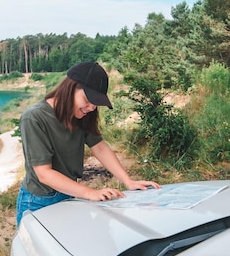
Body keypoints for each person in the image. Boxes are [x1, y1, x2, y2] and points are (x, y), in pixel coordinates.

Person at [16, 61, 160, 226]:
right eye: (88, 99)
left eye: (95, 103)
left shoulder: (81, 115)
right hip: (38, 201)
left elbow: (99, 147)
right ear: (71, 88)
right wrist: (90, 193)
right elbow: (44, 173)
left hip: (68, 193)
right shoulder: (34, 117)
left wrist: (128, 181)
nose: (91, 107)